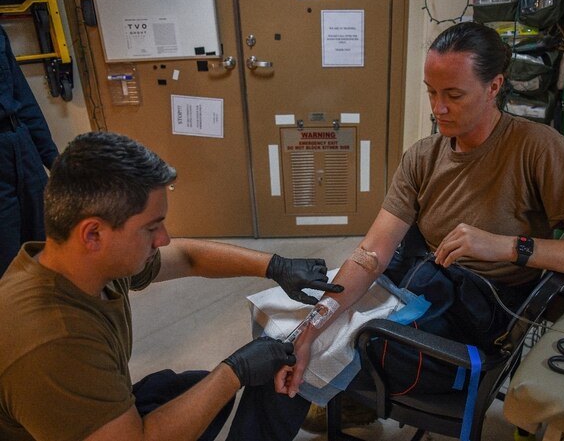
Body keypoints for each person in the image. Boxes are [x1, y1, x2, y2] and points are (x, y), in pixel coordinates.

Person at [230, 21, 564, 440]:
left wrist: (509, 247)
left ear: (494, 86)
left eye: (453, 95)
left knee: (359, 344)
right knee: (284, 339)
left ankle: (343, 393)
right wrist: (311, 327)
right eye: (431, 91)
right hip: (422, 287)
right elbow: (372, 253)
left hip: (479, 317)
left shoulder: (537, 149)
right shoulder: (424, 156)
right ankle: (332, 392)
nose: (438, 108)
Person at [0, 131, 343, 440]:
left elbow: (188, 257)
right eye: (152, 228)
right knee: (216, 388)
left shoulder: (86, 261)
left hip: (84, 400)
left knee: (191, 390)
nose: (163, 239)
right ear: (93, 234)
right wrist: (234, 372)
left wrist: (275, 266)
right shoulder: (52, 342)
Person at [0, 25, 59, 276]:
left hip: (20, 145)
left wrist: (53, 159)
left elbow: (23, 100)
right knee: (7, 258)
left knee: (47, 238)